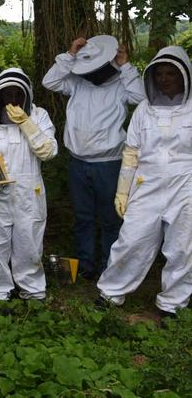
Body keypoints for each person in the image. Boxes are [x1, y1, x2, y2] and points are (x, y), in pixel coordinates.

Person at [96, 46, 192, 317]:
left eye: (171, 73)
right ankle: (111, 292)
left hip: (186, 185)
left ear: (184, 76)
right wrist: (122, 192)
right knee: (131, 239)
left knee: (182, 247)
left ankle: (173, 304)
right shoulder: (143, 110)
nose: (164, 78)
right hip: (145, 183)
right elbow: (131, 152)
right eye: (159, 73)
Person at [42, 35, 144, 280]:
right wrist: (70, 54)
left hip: (109, 164)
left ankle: (110, 267)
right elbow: (49, 81)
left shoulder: (121, 83)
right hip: (77, 163)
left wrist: (126, 66)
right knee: (83, 217)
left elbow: (143, 100)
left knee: (111, 219)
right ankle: (85, 266)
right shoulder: (77, 82)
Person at [0, 68, 57, 301]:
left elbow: (48, 152)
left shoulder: (40, 117)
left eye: (18, 94)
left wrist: (27, 124)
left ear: (27, 95)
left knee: (29, 243)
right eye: (8, 94)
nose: (13, 100)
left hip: (29, 194)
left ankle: (33, 291)